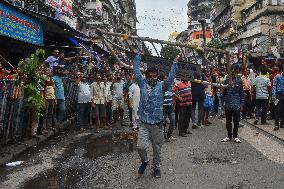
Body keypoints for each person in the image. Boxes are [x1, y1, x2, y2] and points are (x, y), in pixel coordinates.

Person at [134, 54, 178, 178]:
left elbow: (170, 78)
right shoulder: (142, 83)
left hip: (157, 124)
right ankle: (145, 161)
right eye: (149, 75)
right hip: (143, 123)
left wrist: (174, 63)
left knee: (157, 149)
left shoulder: (162, 85)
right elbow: (136, 70)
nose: (152, 78)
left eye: (154, 75)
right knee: (140, 147)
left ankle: (156, 167)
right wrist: (138, 56)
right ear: (146, 75)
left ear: (157, 75)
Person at [222, 69, 244, 143]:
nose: (232, 73)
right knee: (228, 121)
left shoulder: (239, 81)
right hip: (228, 104)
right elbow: (223, 93)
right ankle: (229, 136)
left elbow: (241, 93)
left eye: (234, 72)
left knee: (236, 121)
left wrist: (241, 104)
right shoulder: (226, 81)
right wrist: (223, 103)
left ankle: (235, 136)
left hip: (236, 104)